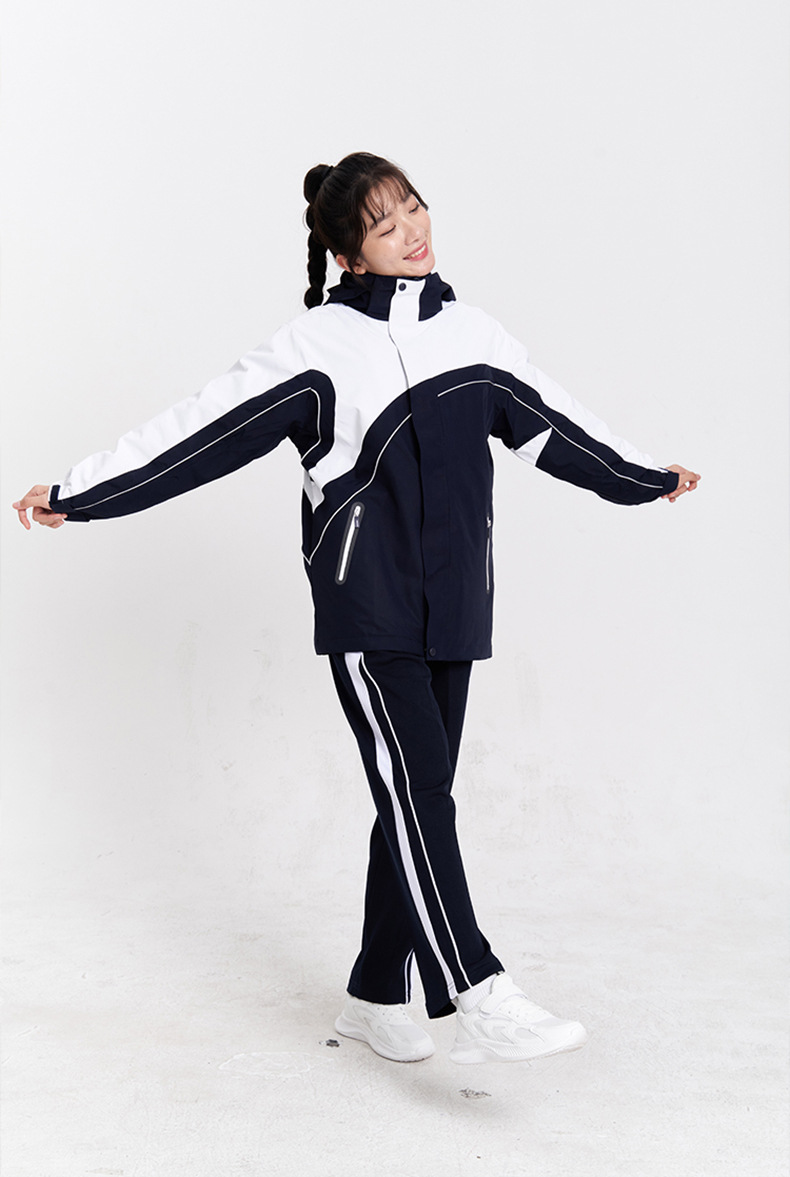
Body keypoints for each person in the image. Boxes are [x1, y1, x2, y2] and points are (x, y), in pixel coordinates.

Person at [13, 152, 700, 1066]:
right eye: (384, 224)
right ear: (348, 256)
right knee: (418, 792)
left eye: (414, 206)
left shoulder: (475, 336)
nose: (411, 231)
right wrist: (82, 492)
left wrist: (645, 476)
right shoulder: (314, 349)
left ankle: (377, 993)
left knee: (415, 795)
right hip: (369, 609)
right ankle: (474, 986)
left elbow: (556, 427)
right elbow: (200, 431)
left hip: (457, 606)